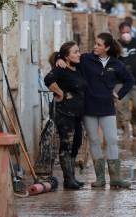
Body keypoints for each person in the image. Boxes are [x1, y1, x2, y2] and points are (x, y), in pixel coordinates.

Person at [57, 33, 134, 189]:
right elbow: (67, 55)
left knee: (112, 140)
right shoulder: (85, 59)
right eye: (95, 43)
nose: (95, 47)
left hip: (107, 108)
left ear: (107, 47)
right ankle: (100, 178)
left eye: (99, 44)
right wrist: (59, 58)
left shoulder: (116, 64)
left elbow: (129, 80)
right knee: (94, 141)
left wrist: (119, 94)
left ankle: (115, 178)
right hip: (89, 108)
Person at [44, 41, 86, 190]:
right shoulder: (60, 69)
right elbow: (48, 80)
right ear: (67, 57)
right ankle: (68, 180)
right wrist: (60, 92)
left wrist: (59, 58)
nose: (78, 54)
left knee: (76, 143)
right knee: (66, 145)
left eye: (78, 51)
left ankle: (72, 177)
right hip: (64, 113)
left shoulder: (78, 67)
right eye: (75, 52)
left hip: (77, 114)